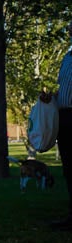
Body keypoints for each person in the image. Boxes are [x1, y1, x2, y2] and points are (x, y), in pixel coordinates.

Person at [51, 44, 72, 230]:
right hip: (64, 116)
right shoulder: (67, 58)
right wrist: (51, 98)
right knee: (69, 168)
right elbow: (62, 89)